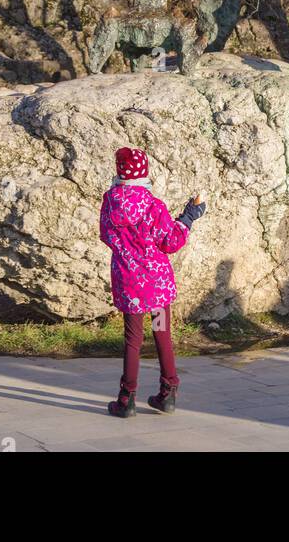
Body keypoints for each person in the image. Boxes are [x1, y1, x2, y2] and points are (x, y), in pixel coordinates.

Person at [99, 146, 206, 418]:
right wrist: (188, 217)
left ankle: (126, 399)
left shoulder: (110, 201)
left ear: (120, 171)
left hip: (129, 282)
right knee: (162, 334)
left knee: (133, 339)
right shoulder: (153, 205)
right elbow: (171, 242)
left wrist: (127, 248)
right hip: (156, 285)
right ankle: (168, 393)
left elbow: (106, 235)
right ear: (143, 171)